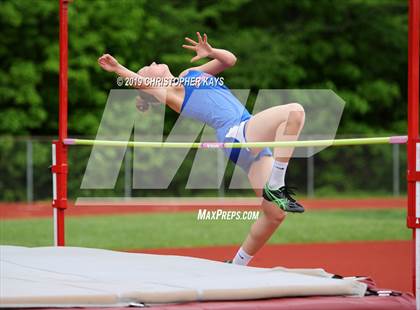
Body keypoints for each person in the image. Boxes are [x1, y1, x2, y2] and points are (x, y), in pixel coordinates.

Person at [98, 32, 305, 266]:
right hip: (237, 132)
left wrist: (212, 52)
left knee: (275, 214)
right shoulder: (171, 93)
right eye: (148, 68)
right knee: (294, 111)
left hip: (248, 138)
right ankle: (277, 185)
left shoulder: (190, 75)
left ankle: (237, 264)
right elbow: (141, 82)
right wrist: (118, 69)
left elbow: (230, 60)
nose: (152, 63)